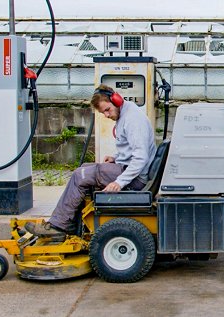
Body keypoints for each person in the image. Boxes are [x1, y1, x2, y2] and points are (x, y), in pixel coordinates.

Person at [25, 84, 156, 237]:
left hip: (135, 178)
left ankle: (58, 226)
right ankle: (70, 223)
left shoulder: (132, 119)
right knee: (84, 169)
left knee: (80, 175)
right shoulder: (126, 114)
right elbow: (131, 148)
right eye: (103, 113)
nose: (107, 115)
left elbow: (141, 157)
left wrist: (119, 182)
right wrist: (115, 158)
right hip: (127, 168)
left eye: (107, 110)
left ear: (116, 100)